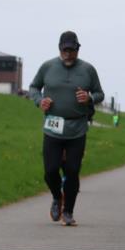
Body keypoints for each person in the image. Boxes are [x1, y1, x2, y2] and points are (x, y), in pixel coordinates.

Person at [28, 31, 104, 226]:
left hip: (77, 127)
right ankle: (57, 197)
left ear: (78, 49)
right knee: (50, 171)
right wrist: (39, 101)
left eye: (71, 50)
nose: (68, 54)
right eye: (65, 50)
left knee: (72, 171)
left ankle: (68, 212)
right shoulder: (48, 67)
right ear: (59, 49)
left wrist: (90, 98)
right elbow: (34, 87)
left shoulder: (88, 70)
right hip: (53, 126)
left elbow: (99, 93)